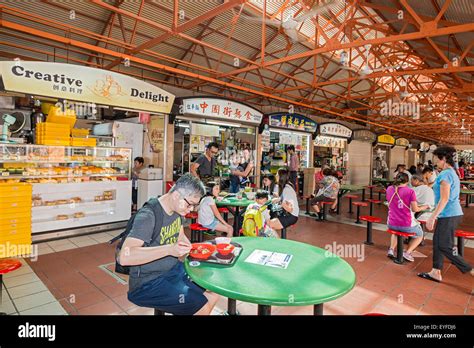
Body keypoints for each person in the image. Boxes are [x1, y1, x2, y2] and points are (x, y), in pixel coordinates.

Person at [119, 173, 219, 315]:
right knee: (200, 306)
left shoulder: (177, 211)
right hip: (147, 283)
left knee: (213, 290)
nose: (191, 210)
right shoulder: (148, 215)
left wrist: (196, 249)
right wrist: (169, 250)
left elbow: (180, 237)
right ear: (177, 195)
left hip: (173, 271)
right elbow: (125, 256)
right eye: (190, 204)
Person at [418, 146, 473, 284]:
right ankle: (436, 271)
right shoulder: (450, 172)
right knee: (438, 243)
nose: (435, 162)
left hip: (449, 214)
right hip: (449, 214)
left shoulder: (445, 174)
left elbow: (444, 198)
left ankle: (470, 269)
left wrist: (432, 216)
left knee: (444, 246)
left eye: (436, 159)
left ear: (443, 159)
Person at [386, 173, 429, 262]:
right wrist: (424, 207)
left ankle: (391, 249)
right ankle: (408, 252)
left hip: (391, 223)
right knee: (420, 235)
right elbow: (415, 209)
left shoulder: (389, 189)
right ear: (407, 181)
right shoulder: (410, 191)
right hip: (406, 225)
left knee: (396, 232)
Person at [268, 168, 299, 233]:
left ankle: (278, 242)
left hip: (291, 216)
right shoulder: (285, 187)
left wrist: (279, 200)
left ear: (281, 177)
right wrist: (279, 197)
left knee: (268, 225)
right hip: (286, 213)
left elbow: (290, 209)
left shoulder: (287, 189)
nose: (275, 176)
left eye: (277, 175)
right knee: (268, 224)